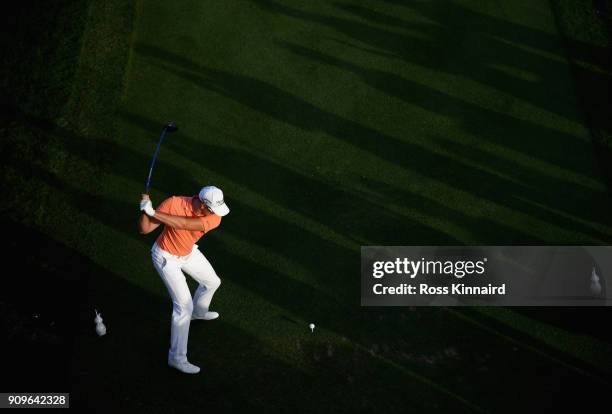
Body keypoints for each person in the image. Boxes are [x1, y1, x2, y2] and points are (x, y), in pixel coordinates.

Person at [138, 185, 230, 374]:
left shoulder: (214, 218)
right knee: (183, 307)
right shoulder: (173, 203)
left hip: (187, 252)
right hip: (165, 257)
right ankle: (177, 359)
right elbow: (145, 229)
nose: (217, 213)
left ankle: (199, 312)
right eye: (214, 208)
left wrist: (154, 212)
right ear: (203, 205)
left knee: (212, 282)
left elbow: (185, 224)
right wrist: (145, 210)